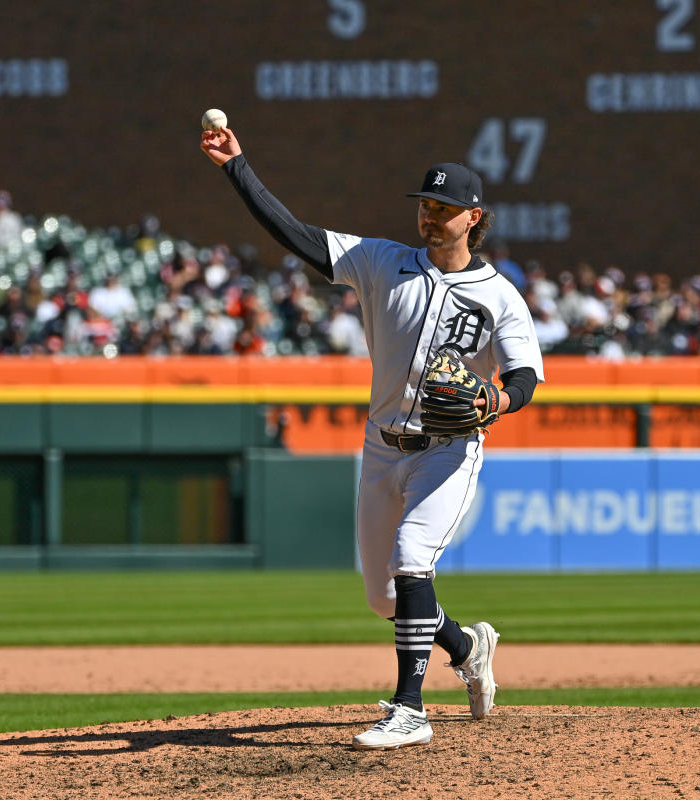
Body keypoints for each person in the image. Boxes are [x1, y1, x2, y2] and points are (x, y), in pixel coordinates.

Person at [201, 126, 544, 750]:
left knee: (414, 559)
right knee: (384, 596)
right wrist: (237, 168)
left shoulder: (501, 297)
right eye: (424, 205)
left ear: (474, 218)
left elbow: (524, 377)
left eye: (443, 209)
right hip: (382, 445)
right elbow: (295, 233)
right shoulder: (381, 259)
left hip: (448, 450)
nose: (430, 216)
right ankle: (469, 647)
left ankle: (409, 709)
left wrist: (496, 397)